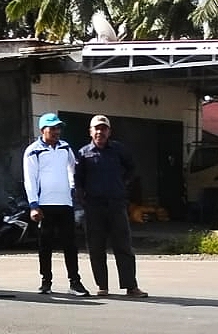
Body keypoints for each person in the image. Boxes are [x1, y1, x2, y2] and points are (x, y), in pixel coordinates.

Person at [74, 115, 148, 298]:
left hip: (116, 204)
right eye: (97, 128)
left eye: (104, 128)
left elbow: (132, 169)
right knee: (96, 247)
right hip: (94, 207)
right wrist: (82, 199)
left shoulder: (119, 150)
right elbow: (78, 180)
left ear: (109, 132)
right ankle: (102, 286)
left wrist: (122, 185)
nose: (100, 132)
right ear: (90, 132)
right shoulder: (83, 153)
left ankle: (131, 286)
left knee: (124, 246)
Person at [23, 113, 89, 296]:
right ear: (42, 130)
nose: (56, 132)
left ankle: (75, 282)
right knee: (46, 244)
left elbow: (72, 168)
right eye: (52, 128)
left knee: (70, 244)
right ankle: (46, 282)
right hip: (44, 204)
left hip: (65, 203)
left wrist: (72, 188)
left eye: (58, 128)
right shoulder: (33, 150)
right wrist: (33, 205)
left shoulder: (65, 147)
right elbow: (30, 179)